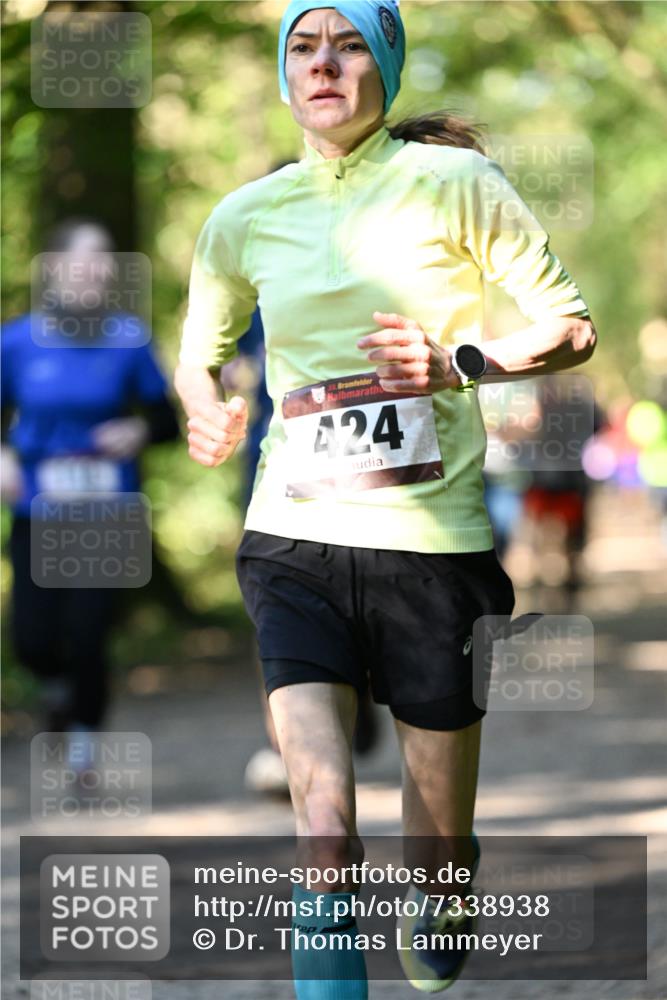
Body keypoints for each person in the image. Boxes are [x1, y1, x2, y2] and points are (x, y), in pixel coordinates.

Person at [174, 2, 596, 995]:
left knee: (434, 852)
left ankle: (446, 879)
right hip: (293, 540)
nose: (323, 63)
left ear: (386, 66)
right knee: (322, 832)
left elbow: (570, 329)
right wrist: (206, 408)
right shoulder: (244, 215)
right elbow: (200, 356)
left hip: (432, 547)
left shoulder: (458, 184)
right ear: (285, 73)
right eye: (302, 46)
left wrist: (457, 362)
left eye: (349, 43)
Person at [1, 218, 179, 759]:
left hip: (108, 512)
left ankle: (82, 744)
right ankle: (56, 691)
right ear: (56, 268)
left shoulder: (129, 338)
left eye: (107, 258)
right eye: (89, 257)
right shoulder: (17, 342)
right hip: (38, 509)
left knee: (88, 633)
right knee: (32, 639)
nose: (101, 269)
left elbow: (166, 421)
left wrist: (137, 430)